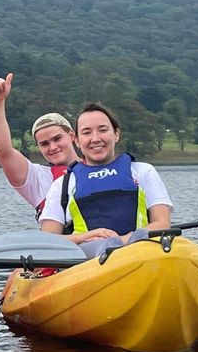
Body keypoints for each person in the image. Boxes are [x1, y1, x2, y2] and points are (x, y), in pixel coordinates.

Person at [39, 102, 173, 257]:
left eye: (102, 130)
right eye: (87, 132)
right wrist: (85, 237)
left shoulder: (143, 171)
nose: (95, 139)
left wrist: (124, 240)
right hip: (87, 259)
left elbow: (162, 223)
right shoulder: (63, 184)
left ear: (116, 134)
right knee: (110, 245)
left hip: (140, 250)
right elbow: (49, 240)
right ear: (76, 140)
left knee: (114, 244)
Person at [0, 72, 80, 220]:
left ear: (72, 136)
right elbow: (3, 151)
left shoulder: (100, 168)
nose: (53, 147)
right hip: (63, 242)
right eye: (44, 144)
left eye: (57, 138)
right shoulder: (37, 178)